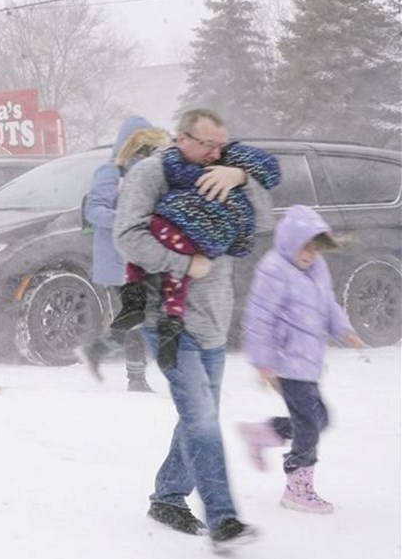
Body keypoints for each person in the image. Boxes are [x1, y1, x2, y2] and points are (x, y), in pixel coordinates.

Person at [114, 108, 271, 550]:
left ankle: (167, 496)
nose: (215, 152)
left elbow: (263, 223)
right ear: (181, 138)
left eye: (221, 144)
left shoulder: (226, 168)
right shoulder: (151, 173)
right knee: (201, 419)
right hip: (165, 318)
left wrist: (240, 179)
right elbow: (126, 236)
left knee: (198, 418)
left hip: (213, 318)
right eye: (206, 144)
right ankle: (224, 521)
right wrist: (184, 262)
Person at [236, 205, 366, 514]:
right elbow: (259, 319)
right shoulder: (274, 271)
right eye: (304, 249)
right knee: (309, 424)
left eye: (315, 249)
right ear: (288, 242)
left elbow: (327, 303)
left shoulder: (316, 268)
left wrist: (343, 330)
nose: (309, 255)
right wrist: (264, 363)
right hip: (284, 362)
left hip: (307, 362)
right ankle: (297, 486)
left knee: (321, 419)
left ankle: (265, 433)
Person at [109, 141, 281, 369]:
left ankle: (134, 303)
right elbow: (250, 234)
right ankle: (170, 322)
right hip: (200, 250)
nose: (214, 153)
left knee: (144, 260)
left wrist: (240, 177)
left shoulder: (200, 168)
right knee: (177, 284)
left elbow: (131, 236)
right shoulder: (237, 185)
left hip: (174, 233)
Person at [78, 115, 168, 392]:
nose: (145, 151)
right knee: (137, 316)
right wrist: (129, 219)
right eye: (139, 146)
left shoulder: (147, 172)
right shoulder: (110, 172)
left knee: (143, 315)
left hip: (141, 257)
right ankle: (136, 379)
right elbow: (94, 211)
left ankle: (97, 350)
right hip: (117, 260)